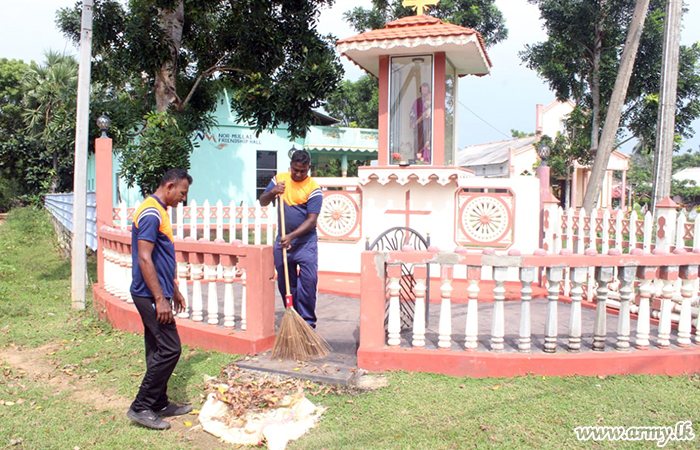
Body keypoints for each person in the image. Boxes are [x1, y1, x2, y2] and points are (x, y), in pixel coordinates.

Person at [126, 169, 193, 430]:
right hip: (148, 293)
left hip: (156, 291)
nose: (183, 199)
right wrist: (159, 299)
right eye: (182, 193)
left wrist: (172, 289)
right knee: (170, 348)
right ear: (169, 186)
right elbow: (144, 257)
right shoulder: (152, 212)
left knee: (157, 347)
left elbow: (159, 257)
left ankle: (159, 402)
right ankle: (141, 406)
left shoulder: (158, 209)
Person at [259, 149, 322, 328]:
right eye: (295, 170)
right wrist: (273, 192)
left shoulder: (313, 188)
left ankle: (308, 322)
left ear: (308, 168)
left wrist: (292, 236)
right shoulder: (280, 180)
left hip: (306, 243)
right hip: (283, 243)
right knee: (286, 283)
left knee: (308, 282)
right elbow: (263, 201)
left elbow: (311, 220)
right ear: (290, 167)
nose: (298, 174)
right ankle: (293, 317)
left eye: (303, 171)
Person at [410, 82, 432, 163]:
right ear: (421, 91)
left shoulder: (431, 102)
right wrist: (412, 122)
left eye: (426, 90)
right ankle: (418, 158)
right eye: (423, 90)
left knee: (427, 141)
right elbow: (412, 113)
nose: (425, 92)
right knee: (418, 142)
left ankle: (426, 158)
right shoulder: (417, 101)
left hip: (428, 125)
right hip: (419, 126)